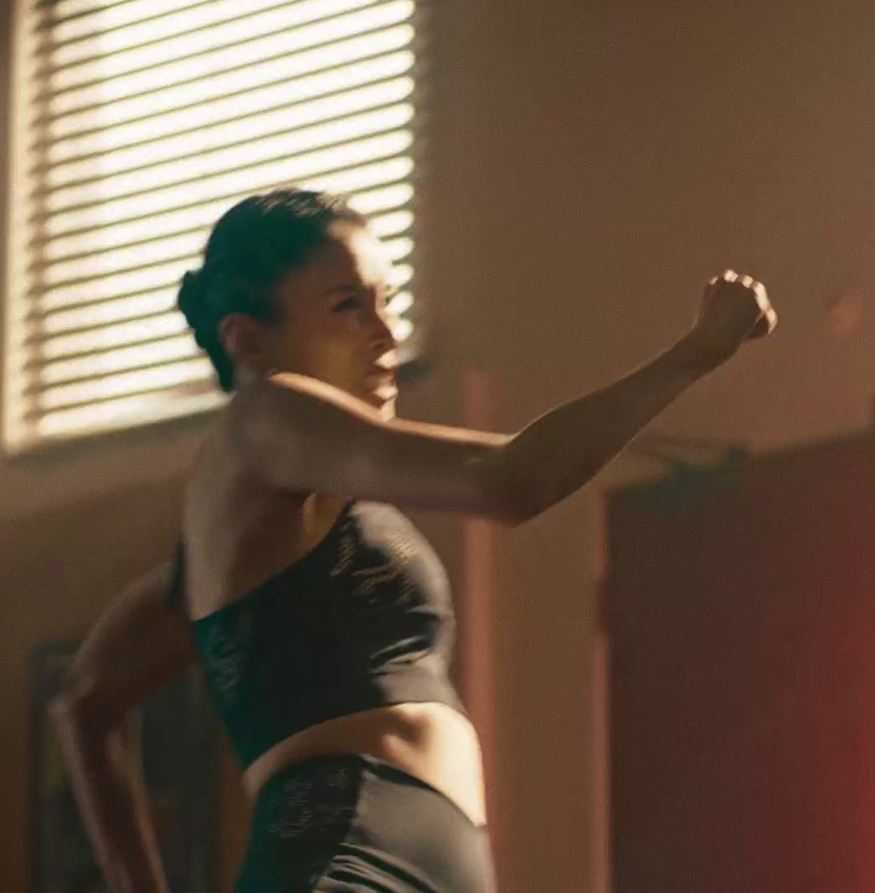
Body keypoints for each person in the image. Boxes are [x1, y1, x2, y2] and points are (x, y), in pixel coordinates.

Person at [48, 188, 775, 893]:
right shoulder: (261, 413)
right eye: (347, 306)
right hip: (348, 860)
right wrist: (694, 353)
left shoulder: (237, 546)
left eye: (385, 301)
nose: (386, 332)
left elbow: (85, 699)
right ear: (249, 339)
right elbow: (508, 478)